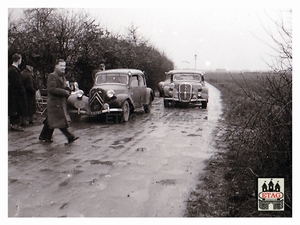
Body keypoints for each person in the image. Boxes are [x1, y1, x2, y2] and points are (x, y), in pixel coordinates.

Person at [39, 59, 79, 143]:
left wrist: (68, 89)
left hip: (60, 102)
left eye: (64, 66)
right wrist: (64, 92)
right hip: (54, 102)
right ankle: (70, 137)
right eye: (61, 66)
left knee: (52, 120)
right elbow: (51, 89)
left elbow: (62, 87)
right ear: (56, 66)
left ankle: (44, 136)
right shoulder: (52, 76)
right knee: (60, 120)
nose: (63, 67)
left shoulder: (62, 76)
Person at [8, 53, 27, 131]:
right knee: (15, 107)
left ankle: (15, 124)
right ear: (18, 60)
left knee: (16, 107)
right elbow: (17, 82)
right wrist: (22, 90)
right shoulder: (13, 70)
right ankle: (14, 124)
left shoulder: (13, 69)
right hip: (15, 93)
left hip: (14, 92)